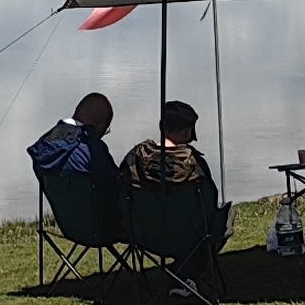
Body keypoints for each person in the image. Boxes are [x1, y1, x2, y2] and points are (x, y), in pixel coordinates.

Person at [123, 98, 223, 293]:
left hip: (145, 236)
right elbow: (209, 206)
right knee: (216, 225)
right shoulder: (195, 165)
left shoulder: (133, 160)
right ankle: (185, 275)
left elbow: (121, 195)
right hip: (189, 237)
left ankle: (181, 275)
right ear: (187, 132)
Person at [27, 92, 123, 236]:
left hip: (68, 229)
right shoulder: (91, 149)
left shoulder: (43, 147)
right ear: (100, 125)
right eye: (105, 130)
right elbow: (116, 182)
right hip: (102, 230)